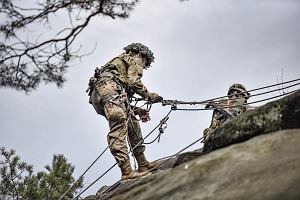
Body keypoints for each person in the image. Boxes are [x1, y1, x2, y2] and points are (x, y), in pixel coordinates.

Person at [87, 43, 163, 181]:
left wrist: (138, 110)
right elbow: (133, 81)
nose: (143, 65)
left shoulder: (118, 63)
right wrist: (149, 95)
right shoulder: (135, 59)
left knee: (131, 123)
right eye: (145, 63)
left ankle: (142, 164)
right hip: (109, 90)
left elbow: (115, 97)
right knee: (119, 127)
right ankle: (127, 171)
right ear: (142, 55)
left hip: (102, 94)